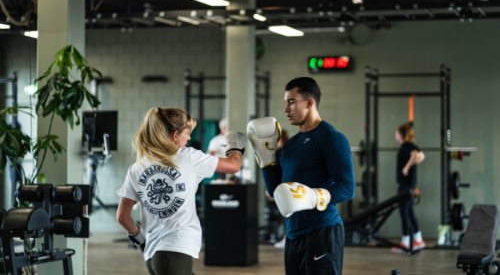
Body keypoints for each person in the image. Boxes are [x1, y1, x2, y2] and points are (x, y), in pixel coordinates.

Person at [116, 108, 245, 275]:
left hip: (153, 255)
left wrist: (141, 241)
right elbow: (234, 165)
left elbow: (122, 216)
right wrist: (236, 145)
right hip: (175, 250)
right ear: (175, 135)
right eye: (187, 133)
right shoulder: (189, 157)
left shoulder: (136, 168)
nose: (189, 138)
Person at [248, 77, 355, 275]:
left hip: (322, 231)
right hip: (293, 234)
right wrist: (265, 158)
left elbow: (347, 186)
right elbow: (276, 191)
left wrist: (313, 196)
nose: (285, 109)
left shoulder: (331, 138)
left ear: (309, 102)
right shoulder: (292, 143)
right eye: (285, 102)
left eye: (291, 101)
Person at [391, 122, 426, 252]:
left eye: (397, 133)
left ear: (401, 134)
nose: (396, 135)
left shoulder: (406, 146)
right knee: (409, 212)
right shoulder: (411, 146)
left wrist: (406, 167)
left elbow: (416, 155)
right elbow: (421, 155)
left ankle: (406, 242)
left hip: (406, 186)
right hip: (410, 185)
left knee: (404, 212)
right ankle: (419, 240)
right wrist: (412, 164)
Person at [272, 129, 289, 248]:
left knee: (286, 215)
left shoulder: (279, 152)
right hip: (288, 187)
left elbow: (276, 173)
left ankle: (286, 239)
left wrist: (272, 188)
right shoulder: (288, 151)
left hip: (283, 188)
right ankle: (287, 238)